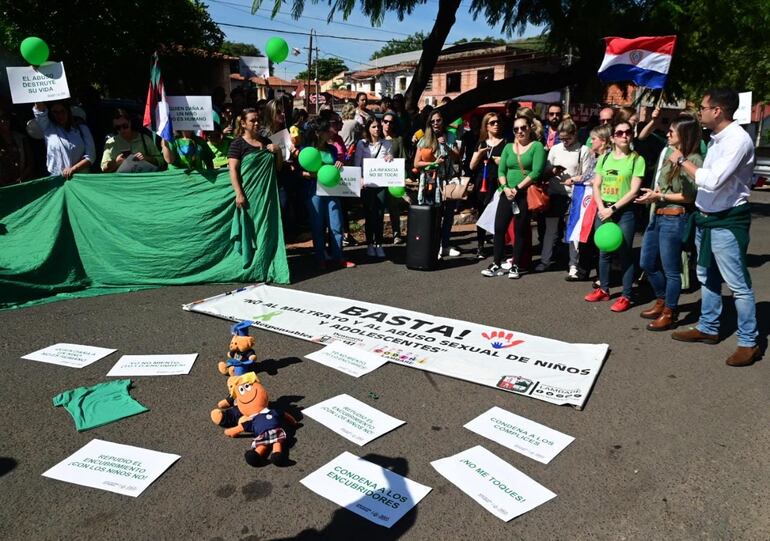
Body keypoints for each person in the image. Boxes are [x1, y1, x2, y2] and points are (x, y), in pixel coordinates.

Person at [669, 89, 759, 366]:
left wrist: (682, 161)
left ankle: (748, 341)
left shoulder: (737, 140)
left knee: (738, 285)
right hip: (707, 219)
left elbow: (712, 180)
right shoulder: (717, 139)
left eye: (703, 108)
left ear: (718, 110)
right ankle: (708, 327)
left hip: (727, 222)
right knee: (706, 276)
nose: (700, 112)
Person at [634, 115, 702, 331]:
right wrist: (654, 194)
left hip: (675, 217)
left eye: (671, 131)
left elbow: (689, 196)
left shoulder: (694, 159)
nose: (668, 134)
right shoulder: (670, 154)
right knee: (646, 262)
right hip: (659, 214)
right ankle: (662, 299)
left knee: (671, 269)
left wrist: (660, 197)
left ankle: (669, 311)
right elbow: (642, 137)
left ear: (683, 134)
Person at [584, 121, 645, 311]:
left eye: (628, 132)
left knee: (624, 253)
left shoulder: (637, 159)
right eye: (620, 133)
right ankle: (604, 289)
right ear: (613, 138)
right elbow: (596, 184)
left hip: (624, 211)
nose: (624, 135)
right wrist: (602, 207)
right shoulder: (604, 158)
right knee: (603, 252)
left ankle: (626, 295)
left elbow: (634, 191)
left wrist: (613, 209)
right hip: (604, 210)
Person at [226, 107, 289, 282]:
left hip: (267, 195)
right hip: (250, 195)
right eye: (252, 120)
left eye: (258, 120)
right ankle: (253, 266)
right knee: (252, 230)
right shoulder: (237, 144)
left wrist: (277, 152)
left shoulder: (266, 141)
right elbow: (233, 170)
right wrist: (239, 193)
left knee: (267, 229)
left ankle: (266, 265)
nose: (256, 123)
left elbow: (278, 168)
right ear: (243, 124)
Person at [481, 115, 546, 279]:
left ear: (529, 127)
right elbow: (501, 170)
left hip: (523, 194)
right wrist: (505, 187)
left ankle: (516, 265)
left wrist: (517, 188)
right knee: (499, 228)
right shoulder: (508, 147)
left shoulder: (536, 146)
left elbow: (536, 172)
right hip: (506, 193)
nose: (520, 131)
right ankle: (496, 263)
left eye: (523, 128)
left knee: (520, 231)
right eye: (516, 129)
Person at [302, 118, 355, 269]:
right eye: (327, 130)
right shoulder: (308, 150)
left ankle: (338, 257)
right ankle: (321, 258)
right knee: (317, 225)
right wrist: (311, 174)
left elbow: (336, 169)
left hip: (332, 190)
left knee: (336, 224)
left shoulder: (332, 149)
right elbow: (300, 171)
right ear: (318, 133)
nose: (330, 133)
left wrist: (339, 164)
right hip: (314, 190)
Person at [541, 119, 592, 273]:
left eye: (567, 138)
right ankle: (545, 261)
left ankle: (573, 264)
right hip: (555, 193)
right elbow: (545, 171)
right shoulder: (555, 149)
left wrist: (575, 180)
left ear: (574, 134)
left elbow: (588, 175)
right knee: (551, 230)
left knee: (573, 232)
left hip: (574, 196)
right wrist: (552, 171)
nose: (564, 142)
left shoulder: (583, 150)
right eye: (561, 139)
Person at [413, 110, 462, 258]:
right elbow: (416, 163)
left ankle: (445, 245)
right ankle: (431, 245)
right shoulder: (424, 139)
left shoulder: (451, 136)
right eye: (433, 121)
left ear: (443, 122)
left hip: (447, 181)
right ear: (429, 123)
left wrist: (446, 145)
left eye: (438, 120)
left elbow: (456, 157)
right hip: (430, 183)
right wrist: (433, 163)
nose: (435, 123)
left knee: (448, 216)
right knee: (433, 216)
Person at [569, 125, 612, 282]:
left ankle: (602, 276)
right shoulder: (595, 158)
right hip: (588, 201)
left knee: (598, 238)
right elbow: (588, 176)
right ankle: (583, 271)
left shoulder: (609, 158)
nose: (590, 142)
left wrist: (586, 181)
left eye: (593, 139)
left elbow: (600, 180)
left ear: (603, 141)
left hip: (600, 202)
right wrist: (575, 179)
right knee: (585, 236)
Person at [355, 117, 393, 258]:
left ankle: (379, 244)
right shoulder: (362, 144)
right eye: (373, 127)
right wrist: (361, 179)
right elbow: (357, 163)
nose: (377, 129)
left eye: (378, 126)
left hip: (381, 184)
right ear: (368, 129)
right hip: (367, 185)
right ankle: (370, 244)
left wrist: (390, 159)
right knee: (369, 214)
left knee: (379, 215)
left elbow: (391, 161)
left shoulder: (386, 143)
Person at [469, 112, 505, 259]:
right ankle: (480, 245)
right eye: (492, 123)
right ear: (486, 126)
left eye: (497, 122)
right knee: (482, 213)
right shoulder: (481, 143)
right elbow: (471, 166)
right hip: (482, 182)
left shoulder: (505, 143)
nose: (496, 125)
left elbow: (509, 164)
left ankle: (499, 246)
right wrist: (479, 155)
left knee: (499, 215)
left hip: (497, 182)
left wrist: (500, 161)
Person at [32, 101, 95, 179]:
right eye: (55, 112)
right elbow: (39, 110)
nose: (60, 115)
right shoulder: (47, 127)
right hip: (56, 179)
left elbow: (91, 156)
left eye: (62, 111)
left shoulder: (81, 128)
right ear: (50, 114)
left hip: (80, 178)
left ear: (68, 111)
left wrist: (73, 169)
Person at [381, 111, 407, 243]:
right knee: (378, 208)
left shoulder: (398, 140)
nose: (388, 124)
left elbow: (403, 159)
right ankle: (377, 235)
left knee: (394, 208)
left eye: (391, 122)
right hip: (378, 178)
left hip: (392, 180)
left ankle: (396, 234)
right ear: (381, 123)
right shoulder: (376, 139)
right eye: (385, 121)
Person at [0, 107, 33, 186]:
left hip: (21, 182)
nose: (4, 121)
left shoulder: (21, 138)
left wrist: (21, 178)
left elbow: (30, 162)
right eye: (0, 119)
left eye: (6, 118)